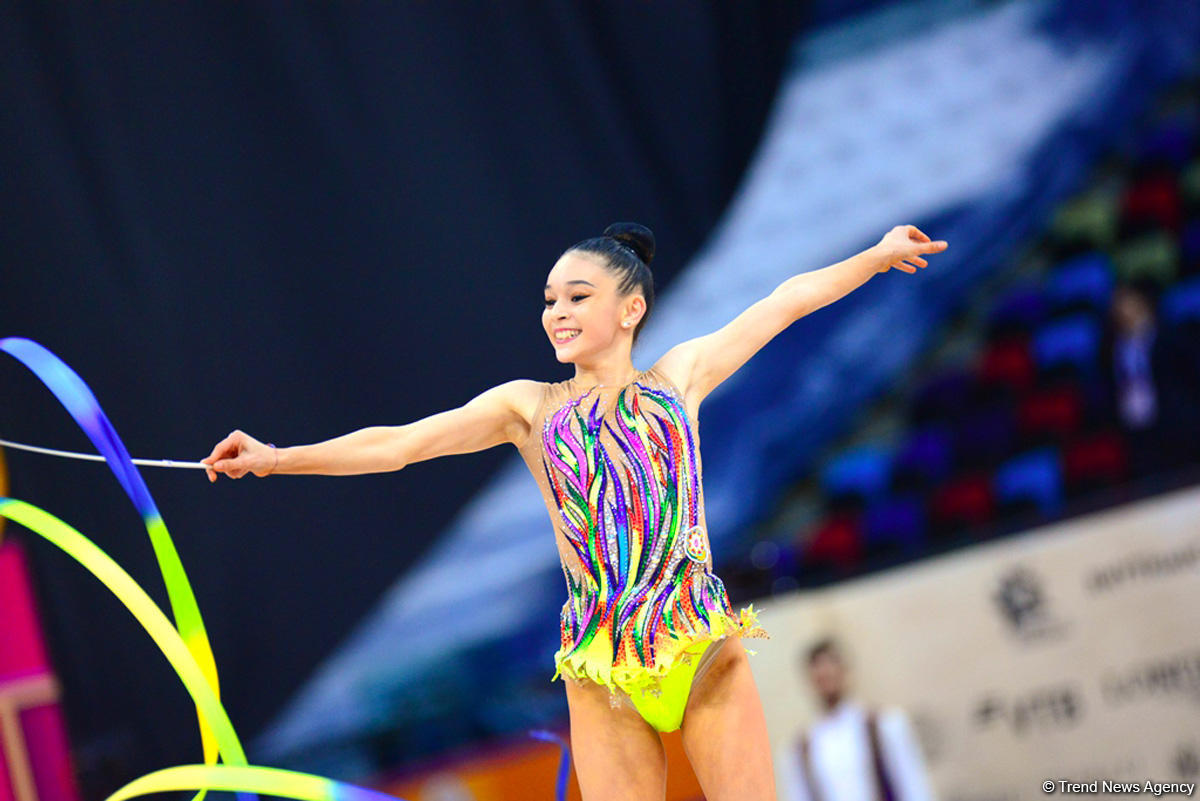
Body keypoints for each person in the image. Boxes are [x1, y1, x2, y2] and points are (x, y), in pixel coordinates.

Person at [203, 222, 947, 801]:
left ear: (632, 307)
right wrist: (277, 455)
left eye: (577, 296)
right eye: (550, 298)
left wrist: (876, 257)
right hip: (604, 668)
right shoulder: (528, 409)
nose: (556, 311)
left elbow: (784, 303)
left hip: (697, 647)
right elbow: (399, 445)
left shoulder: (679, 377)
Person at [777, 638, 936, 801]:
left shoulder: (886, 724)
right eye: (818, 671)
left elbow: (914, 788)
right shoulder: (798, 750)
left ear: (844, 670)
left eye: (830, 666)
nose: (825, 675)